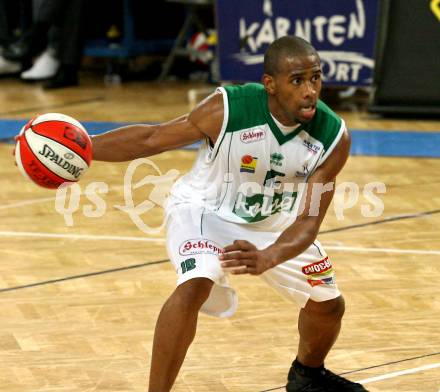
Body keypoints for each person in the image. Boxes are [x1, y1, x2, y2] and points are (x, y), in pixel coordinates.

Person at [90, 36, 368, 392]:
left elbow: (308, 222)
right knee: (195, 284)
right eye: (297, 80)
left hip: (273, 225)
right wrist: (85, 148)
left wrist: (268, 256)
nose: (310, 90)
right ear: (270, 84)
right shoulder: (227, 108)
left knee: (327, 305)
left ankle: (306, 376)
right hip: (203, 210)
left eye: (315, 77)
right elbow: (152, 139)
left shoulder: (333, 138)